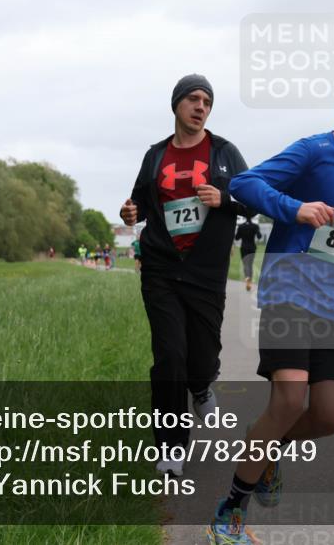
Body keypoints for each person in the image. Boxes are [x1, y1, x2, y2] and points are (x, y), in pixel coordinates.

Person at [206, 65, 334, 544]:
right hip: (291, 290)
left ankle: (267, 446)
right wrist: (295, 208)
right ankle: (231, 511)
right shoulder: (313, 151)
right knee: (290, 399)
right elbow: (244, 185)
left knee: (332, 414)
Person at [120, 73, 248, 478]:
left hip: (206, 271)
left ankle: (203, 385)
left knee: (201, 357)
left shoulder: (225, 152)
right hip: (160, 267)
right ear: (176, 104)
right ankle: (171, 447)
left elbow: (252, 201)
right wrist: (130, 213)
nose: (200, 107)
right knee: (169, 357)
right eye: (193, 99)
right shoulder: (156, 155)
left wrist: (224, 198)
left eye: (206, 102)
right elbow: (139, 201)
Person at [235, 214, 262, 292]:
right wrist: (257, 231)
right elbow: (259, 236)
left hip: (244, 248)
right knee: (250, 264)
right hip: (252, 247)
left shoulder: (241, 226)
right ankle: (249, 282)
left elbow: (237, 238)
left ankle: (247, 280)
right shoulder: (255, 226)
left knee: (245, 265)